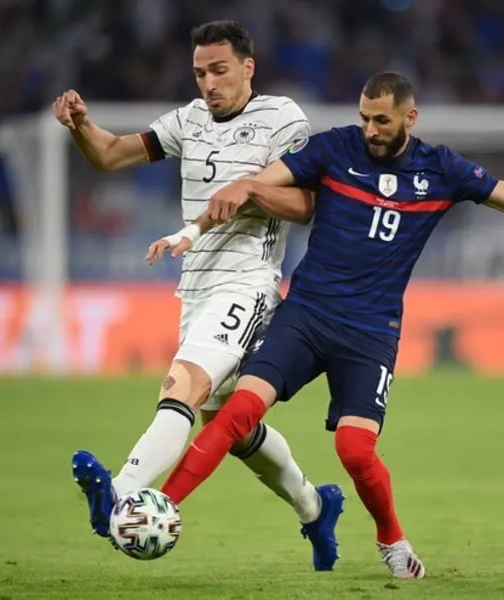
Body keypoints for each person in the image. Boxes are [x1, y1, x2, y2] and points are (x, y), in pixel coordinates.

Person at [147, 71, 504, 579]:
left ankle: (391, 539)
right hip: (305, 315)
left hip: (369, 332)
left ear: (409, 118)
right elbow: (256, 184)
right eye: (364, 119)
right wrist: (200, 223)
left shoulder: (441, 168)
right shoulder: (334, 148)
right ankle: (162, 507)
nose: (370, 130)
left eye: (381, 121)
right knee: (238, 411)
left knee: (354, 450)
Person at [52, 20, 344, 571]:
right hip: (195, 287)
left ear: (247, 68)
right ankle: (315, 507)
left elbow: (308, 205)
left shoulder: (281, 118)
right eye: (200, 73)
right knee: (229, 425)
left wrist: (252, 190)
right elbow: (110, 155)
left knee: (181, 384)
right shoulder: (187, 120)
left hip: (248, 283)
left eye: (219, 70)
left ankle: (120, 491)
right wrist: (81, 125)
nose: (209, 83)